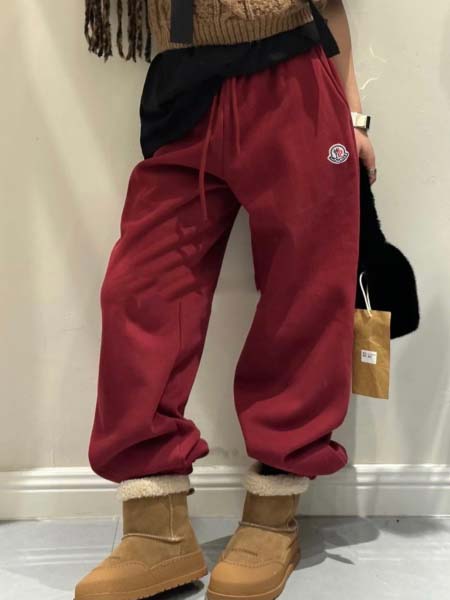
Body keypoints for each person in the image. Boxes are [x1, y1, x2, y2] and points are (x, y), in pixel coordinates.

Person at [76, 2, 377, 600]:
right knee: (141, 291)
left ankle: (273, 515)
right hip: (185, 86)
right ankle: (156, 528)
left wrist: (355, 117)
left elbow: (329, 3)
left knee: (306, 290)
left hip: (294, 79)